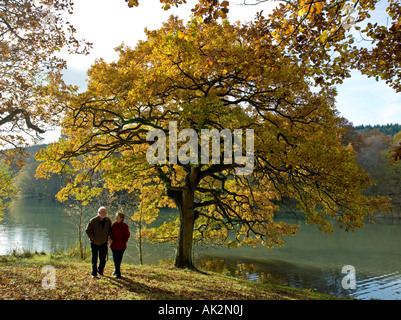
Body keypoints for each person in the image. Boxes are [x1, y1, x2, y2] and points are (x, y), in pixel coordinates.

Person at [85, 206, 112, 279]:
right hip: (94, 243)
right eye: (102, 212)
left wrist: (110, 238)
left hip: (104, 243)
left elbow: (110, 231)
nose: (104, 213)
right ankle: (94, 273)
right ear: (98, 212)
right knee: (94, 259)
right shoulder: (93, 220)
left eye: (104, 212)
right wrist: (93, 238)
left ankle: (100, 271)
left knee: (103, 259)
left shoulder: (108, 220)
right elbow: (87, 231)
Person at [110, 212, 130, 279]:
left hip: (121, 246)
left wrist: (123, 242)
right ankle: (118, 273)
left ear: (121, 218)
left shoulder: (125, 226)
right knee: (115, 259)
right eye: (115, 216)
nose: (115, 217)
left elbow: (127, 235)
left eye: (117, 216)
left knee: (119, 259)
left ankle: (117, 271)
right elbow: (110, 234)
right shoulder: (113, 225)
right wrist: (110, 239)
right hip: (113, 245)